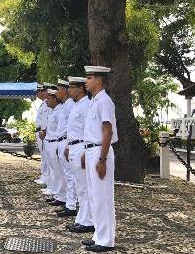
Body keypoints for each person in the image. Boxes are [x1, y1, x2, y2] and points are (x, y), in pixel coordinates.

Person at [81, 66, 117, 253]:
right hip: (91, 150)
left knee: (102, 197)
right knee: (94, 196)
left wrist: (102, 159)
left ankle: (106, 239)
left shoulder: (104, 101)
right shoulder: (95, 101)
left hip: (99, 152)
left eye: (89, 77)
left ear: (99, 80)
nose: (86, 81)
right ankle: (98, 234)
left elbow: (107, 130)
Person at [65, 76, 94, 233]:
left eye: (72, 87)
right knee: (79, 185)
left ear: (81, 88)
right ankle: (82, 218)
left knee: (84, 187)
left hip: (82, 148)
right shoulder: (77, 106)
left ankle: (88, 221)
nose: (69, 90)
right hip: (74, 147)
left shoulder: (86, 105)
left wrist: (84, 151)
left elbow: (87, 130)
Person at [55, 78, 76, 217]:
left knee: (70, 176)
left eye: (58, 89)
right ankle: (68, 202)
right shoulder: (64, 106)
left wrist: (68, 144)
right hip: (62, 141)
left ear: (64, 90)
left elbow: (72, 128)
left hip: (68, 142)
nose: (57, 92)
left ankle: (71, 205)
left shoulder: (70, 106)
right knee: (66, 174)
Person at [42, 89, 66, 207]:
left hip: (55, 142)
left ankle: (62, 196)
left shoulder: (59, 111)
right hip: (49, 142)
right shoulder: (52, 111)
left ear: (55, 99)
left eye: (49, 99)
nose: (46, 101)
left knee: (60, 172)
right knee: (54, 171)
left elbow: (60, 129)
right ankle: (58, 194)